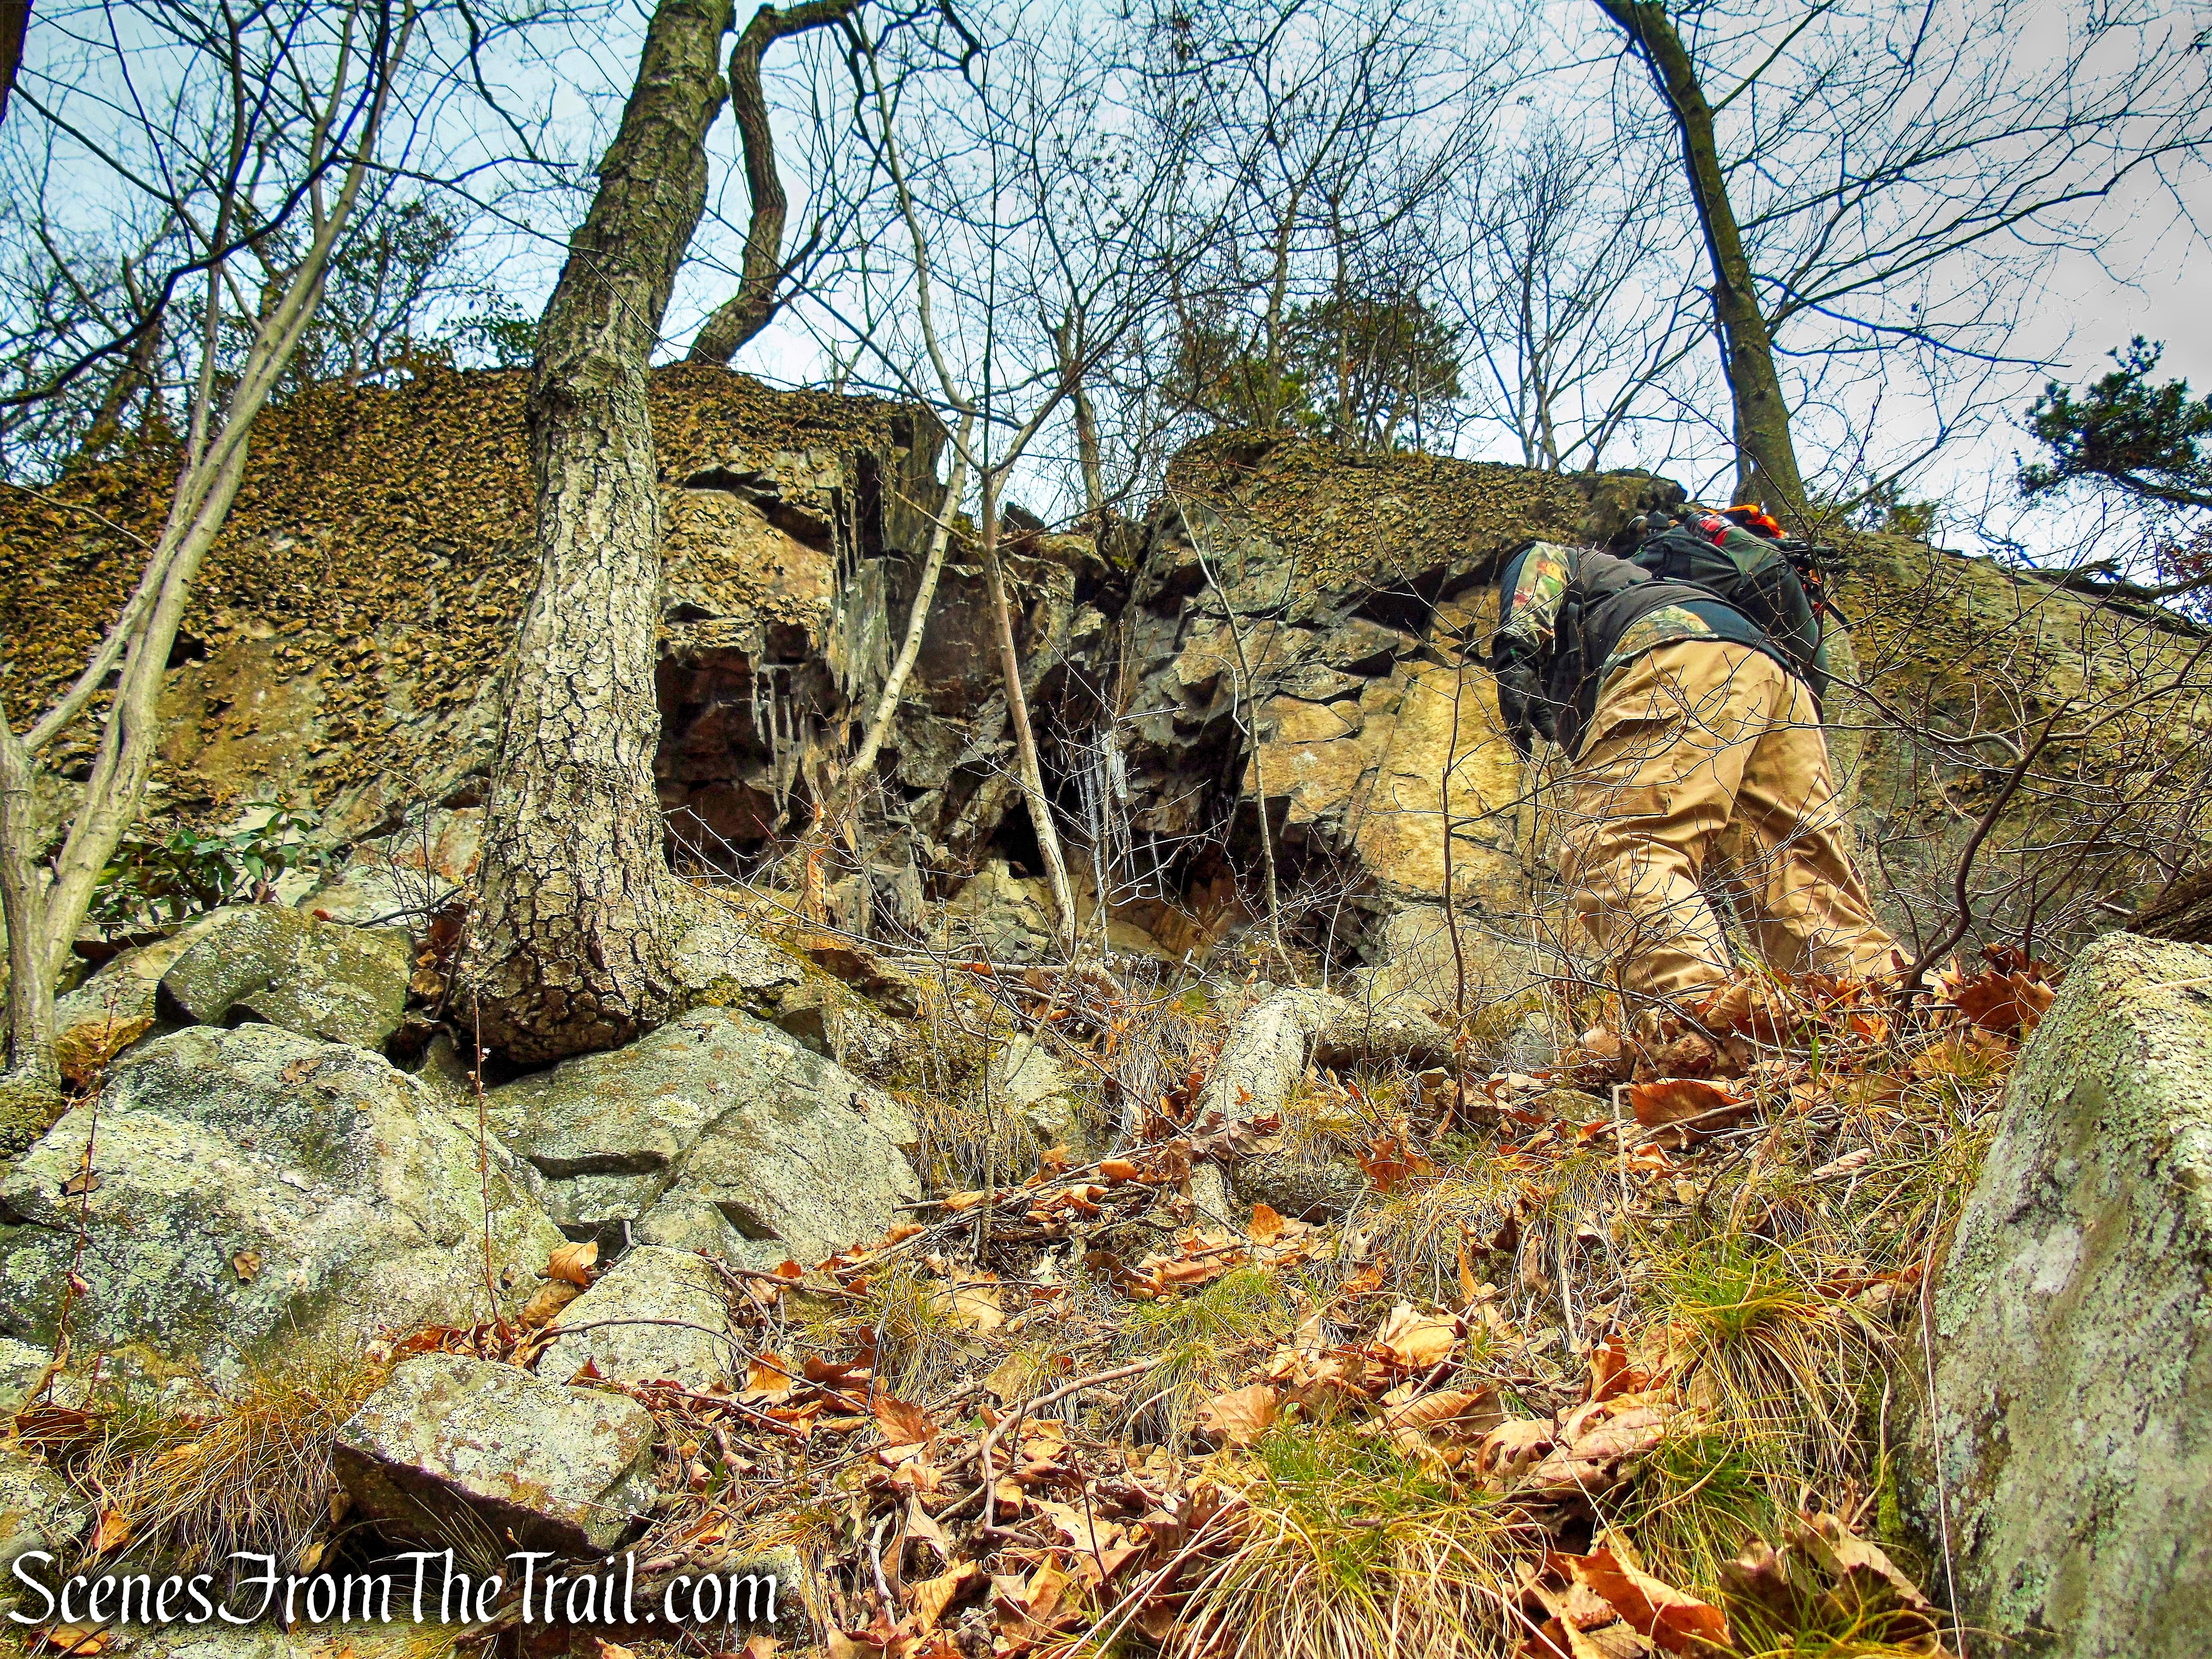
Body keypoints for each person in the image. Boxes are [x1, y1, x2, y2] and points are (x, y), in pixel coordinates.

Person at [1487, 538, 1896, 1021]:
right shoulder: (1711, 601)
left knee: (1628, 847)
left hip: (1681, 656)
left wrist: (1514, 650)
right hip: (1778, 683)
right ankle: (1895, 1022)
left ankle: (1705, 1031)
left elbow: (1540, 557)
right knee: (1801, 885)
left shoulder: (1608, 578)